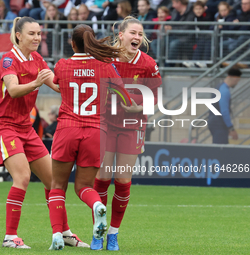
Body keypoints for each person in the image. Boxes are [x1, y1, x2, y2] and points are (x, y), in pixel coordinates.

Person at [0, 17, 88, 249]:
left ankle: (64, 233)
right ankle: (10, 237)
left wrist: (80, 87)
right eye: (32, 33)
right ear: (19, 35)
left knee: (54, 182)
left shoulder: (37, 59)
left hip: (25, 128)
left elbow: (56, 84)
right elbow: (12, 90)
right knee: (22, 177)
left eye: (39, 34)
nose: (37, 38)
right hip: (4, 127)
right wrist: (35, 82)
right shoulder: (8, 60)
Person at [48, 24, 124, 250]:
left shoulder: (62, 65)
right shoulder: (106, 66)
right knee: (83, 186)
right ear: (92, 41)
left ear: (72, 43)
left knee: (57, 186)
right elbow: (122, 94)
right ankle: (97, 205)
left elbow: (59, 86)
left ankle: (56, 236)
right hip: (95, 131)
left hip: (67, 129)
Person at [93, 16, 162, 251]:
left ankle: (113, 233)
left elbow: (156, 97)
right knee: (101, 179)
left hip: (133, 126)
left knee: (122, 180)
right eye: (133, 33)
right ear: (120, 34)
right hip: (105, 125)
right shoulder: (104, 58)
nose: (137, 37)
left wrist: (139, 106)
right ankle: (98, 231)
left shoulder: (148, 64)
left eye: (140, 34)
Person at [208, 68, 242, 144]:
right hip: (219, 123)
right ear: (235, 78)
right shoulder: (225, 91)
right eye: (237, 81)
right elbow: (224, 111)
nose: (236, 84)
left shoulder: (219, 86)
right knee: (220, 150)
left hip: (215, 121)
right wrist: (231, 128)